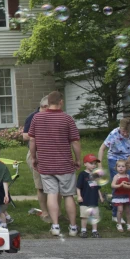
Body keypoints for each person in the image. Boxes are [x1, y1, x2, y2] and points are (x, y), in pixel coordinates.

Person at [28, 91, 82, 237]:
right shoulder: (67, 119)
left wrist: (34, 157)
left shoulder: (37, 118)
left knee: (51, 194)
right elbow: (75, 141)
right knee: (69, 195)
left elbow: (32, 140)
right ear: (61, 102)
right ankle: (73, 227)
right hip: (65, 164)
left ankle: (56, 226)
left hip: (45, 164)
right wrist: (78, 159)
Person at [97, 117, 130, 220]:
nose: (125, 134)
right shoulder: (114, 134)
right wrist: (100, 165)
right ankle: (115, 214)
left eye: (127, 131)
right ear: (120, 127)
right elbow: (102, 148)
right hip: (114, 160)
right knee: (117, 185)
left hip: (129, 161)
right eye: (123, 131)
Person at [22, 96, 50, 220]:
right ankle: (45, 212)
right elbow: (24, 136)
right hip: (37, 153)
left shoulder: (53, 117)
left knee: (54, 185)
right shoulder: (32, 117)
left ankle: (57, 213)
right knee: (41, 185)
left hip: (52, 153)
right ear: (44, 107)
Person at [76, 154, 104, 238]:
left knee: (95, 216)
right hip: (85, 199)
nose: (94, 165)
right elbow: (78, 187)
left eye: (95, 164)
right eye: (91, 163)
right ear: (85, 164)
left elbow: (98, 187)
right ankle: (83, 231)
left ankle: (94, 231)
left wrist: (101, 197)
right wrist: (79, 196)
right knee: (84, 216)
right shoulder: (82, 174)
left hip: (94, 199)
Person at [110, 159, 130, 232]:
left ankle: (129, 224)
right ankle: (119, 223)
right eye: (119, 166)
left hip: (126, 195)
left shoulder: (128, 176)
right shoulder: (116, 176)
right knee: (120, 210)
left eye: (123, 166)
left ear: (126, 168)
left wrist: (128, 184)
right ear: (116, 167)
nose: (121, 168)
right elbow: (112, 185)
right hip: (119, 196)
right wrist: (120, 185)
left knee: (128, 211)